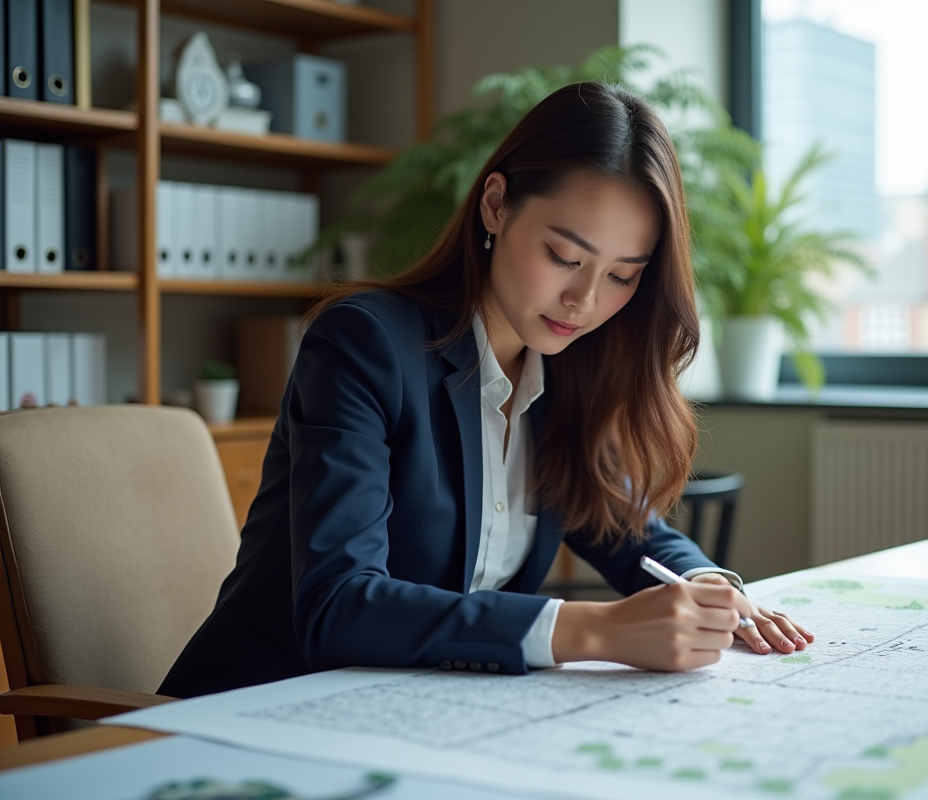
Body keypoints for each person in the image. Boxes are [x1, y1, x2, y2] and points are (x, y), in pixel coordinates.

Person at [160, 82, 814, 699]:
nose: (584, 301)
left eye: (621, 275)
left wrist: (707, 587)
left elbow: (626, 527)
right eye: (564, 257)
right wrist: (591, 630)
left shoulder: (564, 370)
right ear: (496, 204)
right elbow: (339, 607)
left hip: (420, 716)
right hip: (258, 711)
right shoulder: (363, 344)